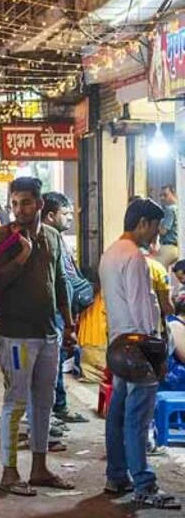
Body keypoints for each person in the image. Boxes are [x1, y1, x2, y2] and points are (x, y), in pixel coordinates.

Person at [0, 177, 75, 497]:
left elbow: (60, 282)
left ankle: (40, 468)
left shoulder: (53, 236)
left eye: (25, 202)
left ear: (39, 204)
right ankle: (9, 472)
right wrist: (22, 257)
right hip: (16, 335)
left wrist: (69, 325)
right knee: (16, 402)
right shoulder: (2, 237)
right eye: (14, 203)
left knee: (44, 402)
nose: (19, 209)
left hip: (49, 333)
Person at [101, 198, 180, 508]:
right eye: (156, 227)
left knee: (118, 414)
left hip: (118, 344)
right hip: (138, 348)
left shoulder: (111, 253)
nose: (157, 234)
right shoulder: (133, 257)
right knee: (137, 417)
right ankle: (144, 484)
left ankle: (116, 476)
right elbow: (142, 310)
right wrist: (156, 353)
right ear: (143, 223)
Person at [41, 192, 90, 426]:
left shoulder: (57, 238)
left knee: (57, 361)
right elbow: (62, 281)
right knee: (52, 363)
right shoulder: (47, 240)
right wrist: (68, 319)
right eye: (66, 213)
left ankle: (57, 407)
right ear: (50, 216)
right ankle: (52, 411)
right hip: (55, 311)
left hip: (60, 311)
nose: (70, 218)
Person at [159, 185, 179, 270]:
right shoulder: (179, 208)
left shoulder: (169, 209)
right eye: (161, 195)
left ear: (173, 194)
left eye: (165, 195)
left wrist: (157, 225)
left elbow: (163, 231)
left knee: (157, 269)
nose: (162, 198)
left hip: (168, 247)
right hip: (176, 246)